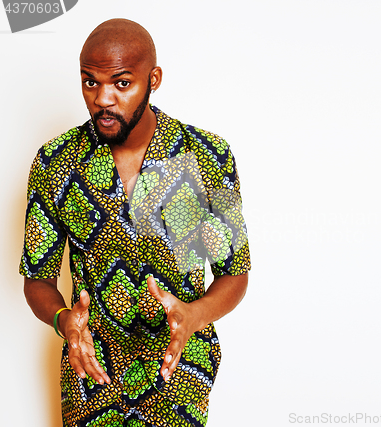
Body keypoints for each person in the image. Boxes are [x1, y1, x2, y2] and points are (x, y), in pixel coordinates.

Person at [20, 18, 251, 427]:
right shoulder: (57, 162)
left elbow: (235, 274)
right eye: (89, 82)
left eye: (121, 83)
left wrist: (195, 316)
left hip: (177, 365)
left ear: (153, 78)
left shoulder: (207, 157)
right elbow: (37, 280)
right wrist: (64, 320)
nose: (103, 99)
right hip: (91, 369)